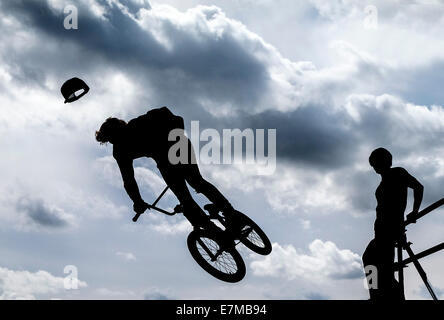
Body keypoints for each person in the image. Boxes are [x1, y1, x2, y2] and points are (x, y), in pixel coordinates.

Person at [95, 106, 234, 229]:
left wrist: (137, 202)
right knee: (190, 190)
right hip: (168, 158)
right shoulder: (120, 150)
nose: (113, 142)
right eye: (110, 140)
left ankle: (227, 215)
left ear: (120, 129)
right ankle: (218, 222)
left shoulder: (138, 125)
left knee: (194, 184)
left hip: (176, 148)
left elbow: (172, 117)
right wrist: (137, 201)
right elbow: (128, 179)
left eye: (112, 138)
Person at [362, 147, 423, 300]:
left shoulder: (398, 173)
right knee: (372, 261)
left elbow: (418, 187)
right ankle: (377, 294)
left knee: (380, 266)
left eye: (376, 163)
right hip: (381, 229)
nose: (374, 167)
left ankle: (390, 295)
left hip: (390, 229)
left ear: (384, 161)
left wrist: (415, 211)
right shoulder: (383, 181)